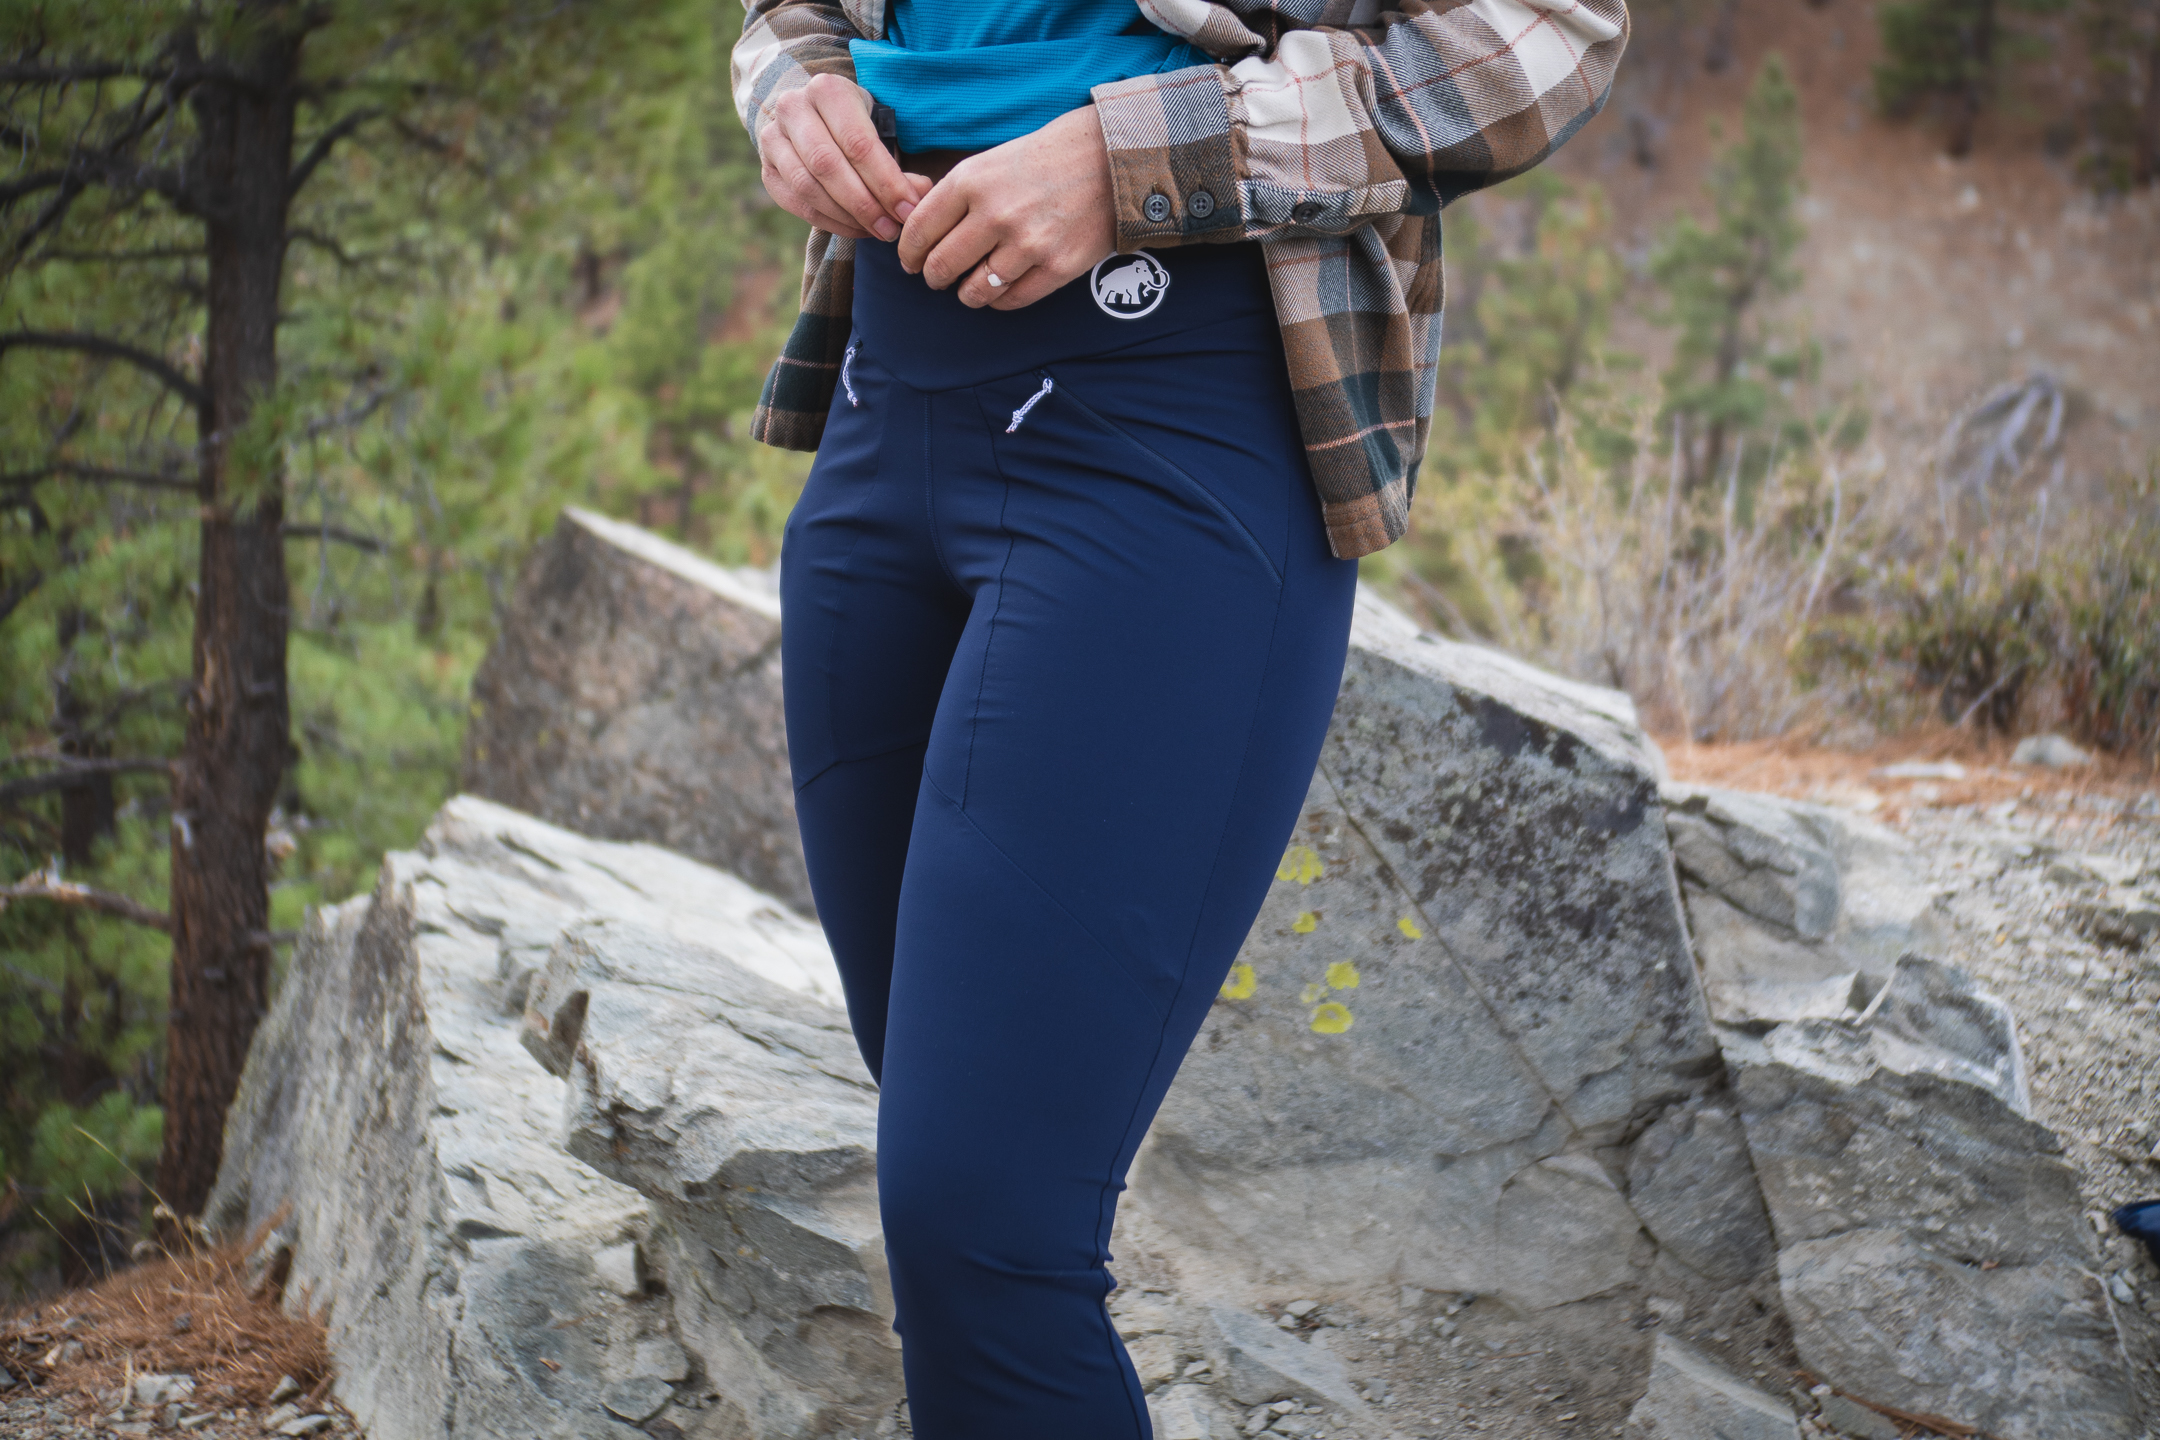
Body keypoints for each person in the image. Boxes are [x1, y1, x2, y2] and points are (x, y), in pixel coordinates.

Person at [729, 2, 1626, 1435]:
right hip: (882, 408)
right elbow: (793, 17)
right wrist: (791, 87)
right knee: (945, 1193)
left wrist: (1139, 156)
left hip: (1170, 429)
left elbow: (1546, 35)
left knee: (988, 1225)